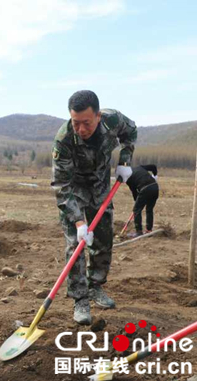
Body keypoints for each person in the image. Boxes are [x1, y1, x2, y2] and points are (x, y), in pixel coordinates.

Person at [51, 90, 137, 325]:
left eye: (86, 123)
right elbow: (61, 184)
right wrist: (79, 222)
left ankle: (95, 286)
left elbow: (132, 131)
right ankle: (80, 299)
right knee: (76, 245)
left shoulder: (113, 120)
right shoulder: (64, 139)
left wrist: (125, 161)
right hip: (74, 192)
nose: (80, 129)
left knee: (103, 238)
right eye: (75, 122)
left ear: (98, 116)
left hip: (101, 187)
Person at [126, 164, 159, 237]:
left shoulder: (127, 177)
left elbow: (134, 191)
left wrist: (136, 202)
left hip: (145, 188)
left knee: (136, 210)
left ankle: (139, 232)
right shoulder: (139, 167)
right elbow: (153, 167)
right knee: (149, 209)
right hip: (155, 186)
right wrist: (155, 176)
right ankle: (149, 230)